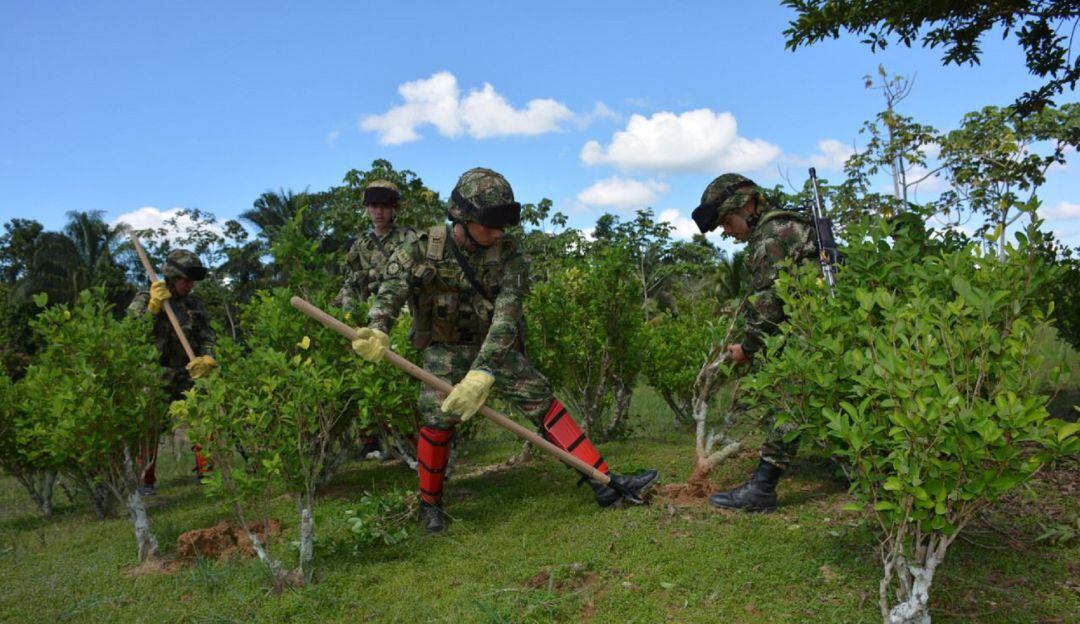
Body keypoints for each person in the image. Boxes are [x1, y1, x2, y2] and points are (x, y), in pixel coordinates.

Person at [350, 167, 659, 533]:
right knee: (436, 415)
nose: (498, 232)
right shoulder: (421, 246)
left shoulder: (510, 253)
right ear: (462, 218)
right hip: (444, 347)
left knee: (540, 400)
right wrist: (377, 328)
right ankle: (430, 506)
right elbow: (390, 292)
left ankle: (603, 481)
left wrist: (483, 372)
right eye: (489, 224)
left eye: (502, 224)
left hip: (492, 345)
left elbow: (506, 318)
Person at [691, 173, 818, 512]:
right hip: (824, 331)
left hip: (808, 336)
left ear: (747, 206)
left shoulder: (771, 238)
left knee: (786, 398)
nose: (727, 232)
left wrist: (746, 349)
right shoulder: (790, 227)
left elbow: (768, 306)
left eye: (727, 223)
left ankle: (763, 486)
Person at [336, 180, 421, 458]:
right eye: (373, 206)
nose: (379, 212)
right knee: (367, 376)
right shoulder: (360, 244)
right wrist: (349, 313)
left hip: (404, 315)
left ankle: (410, 439)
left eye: (384, 206)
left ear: (394, 208)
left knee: (403, 376)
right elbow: (349, 283)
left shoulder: (409, 238)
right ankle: (370, 440)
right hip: (369, 317)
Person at [127, 249, 217, 494]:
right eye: (184, 280)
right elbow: (131, 334)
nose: (188, 286)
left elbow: (208, 335)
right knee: (149, 427)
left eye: (191, 282)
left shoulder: (194, 304)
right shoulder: (146, 298)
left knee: (203, 420)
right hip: (156, 373)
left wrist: (208, 358)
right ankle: (146, 482)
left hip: (189, 372)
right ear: (171, 276)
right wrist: (152, 309)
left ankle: (207, 475)